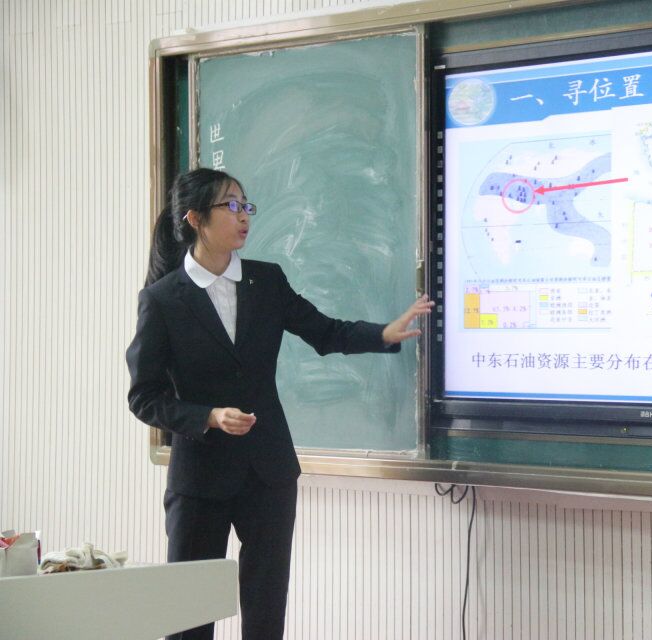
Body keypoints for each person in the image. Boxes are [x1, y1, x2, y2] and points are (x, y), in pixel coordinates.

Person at [125, 168, 432, 640]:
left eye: (246, 205)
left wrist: (384, 334)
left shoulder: (265, 282)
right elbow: (144, 397)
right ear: (196, 219)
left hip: (267, 471)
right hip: (200, 479)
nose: (244, 216)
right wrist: (208, 416)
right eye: (231, 205)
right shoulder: (163, 300)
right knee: (189, 616)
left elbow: (325, 332)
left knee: (267, 611)